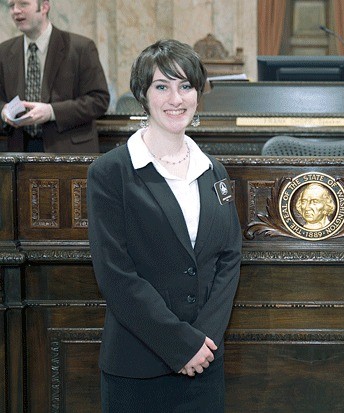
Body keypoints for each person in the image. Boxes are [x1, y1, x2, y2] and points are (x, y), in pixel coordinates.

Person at [87, 39, 241, 412]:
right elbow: (116, 275)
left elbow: (229, 257)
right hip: (138, 368)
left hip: (204, 364)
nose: (176, 99)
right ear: (143, 94)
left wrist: (202, 341)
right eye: (162, 86)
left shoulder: (213, 171)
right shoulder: (110, 173)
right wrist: (180, 344)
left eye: (185, 86)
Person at [0, 0, 109, 152]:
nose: (15, 11)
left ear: (44, 7)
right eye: (11, 6)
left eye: (23, 4)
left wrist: (51, 112)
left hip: (67, 151)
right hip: (19, 152)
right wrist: (4, 110)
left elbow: (99, 101)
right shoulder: (4, 51)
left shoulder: (81, 48)